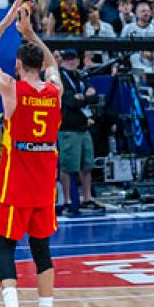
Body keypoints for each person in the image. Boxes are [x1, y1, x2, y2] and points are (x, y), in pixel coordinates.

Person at [0, 0, 63, 307]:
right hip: (44, 187)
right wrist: (32, 34)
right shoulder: (55, 92)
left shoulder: (11, 89)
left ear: (16, 65)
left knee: (6, 249)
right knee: (42, 252)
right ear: (39, 65)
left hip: (15, 184)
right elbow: (53, 62)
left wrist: (6, 23)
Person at [56, 51, 102, 214]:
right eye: (67, 59)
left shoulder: (80, 77)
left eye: (73, 59)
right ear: (62, 61)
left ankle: (87, 199)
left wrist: (82, 97)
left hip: (83, 127)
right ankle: (67, 201)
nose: (71, 62)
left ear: (78, 60)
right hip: (68, 128)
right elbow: (69, 101)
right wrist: (85, 97)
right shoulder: (59, 78)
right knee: (68, 166)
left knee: (87, 165)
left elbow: (94, 96)